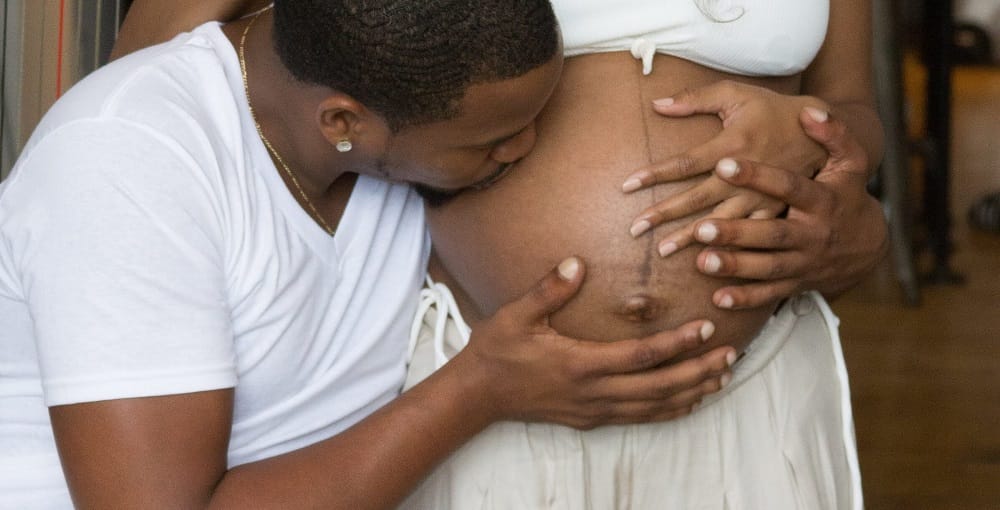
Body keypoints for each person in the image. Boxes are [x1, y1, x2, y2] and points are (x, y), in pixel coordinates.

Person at [112, 0, 889, 508]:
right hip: (473, 373)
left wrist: (819, 129)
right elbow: (161, 74)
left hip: (744, 379)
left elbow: (855, 106)